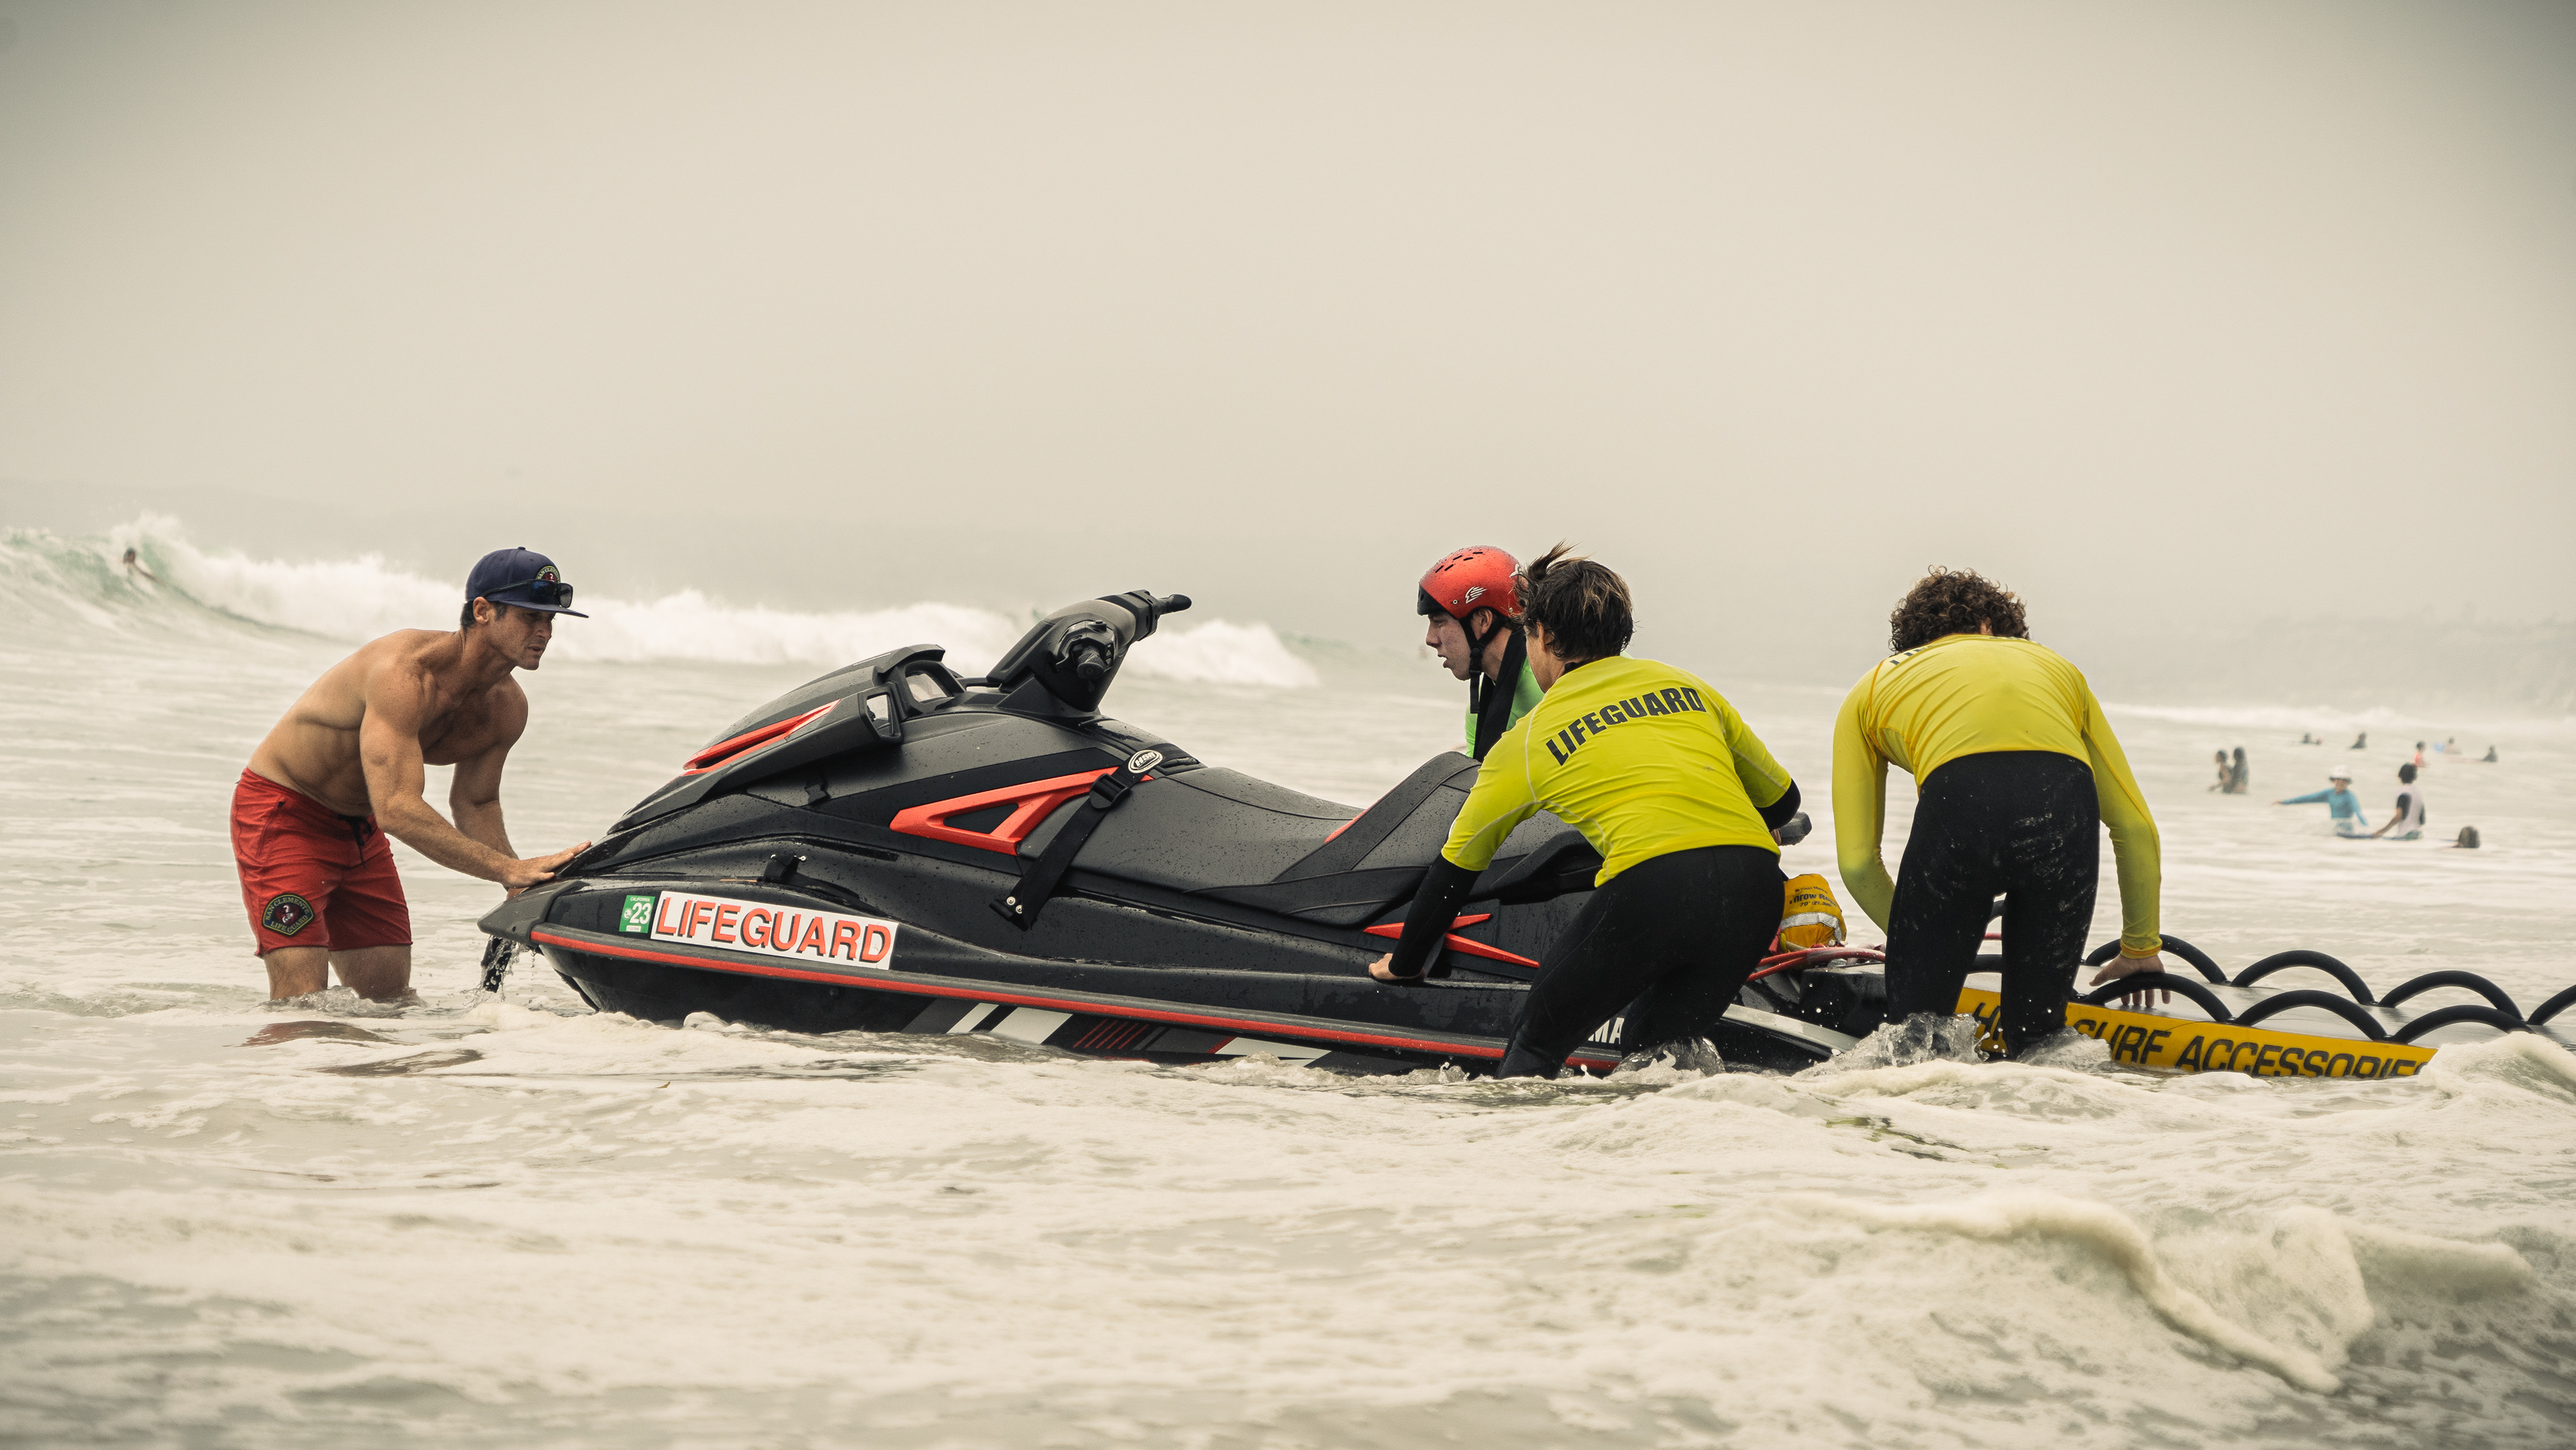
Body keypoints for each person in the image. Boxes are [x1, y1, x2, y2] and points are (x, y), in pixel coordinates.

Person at [1367, 545, 1803, 1078]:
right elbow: (1783, 801)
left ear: (1543, 635)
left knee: (1533, 1045)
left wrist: (1404, 963)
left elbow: (1456, 867)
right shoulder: (1689, 687)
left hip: (1655, 886)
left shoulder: (1529, 739)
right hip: (1757, 888)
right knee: (1654, 1049)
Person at [233, 548, 594, 1002]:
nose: (545, 632)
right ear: (483, 611)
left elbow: (476, 802)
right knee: (302, 1003)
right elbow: (397, 808)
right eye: (530, 617)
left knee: (388, 1000)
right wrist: (506, 867)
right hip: (286, 813)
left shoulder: (506, 708)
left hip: (359, 829)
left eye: (551, 620)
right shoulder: (404, 673)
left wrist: (517, 881)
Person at [1833, 568, 2165, 1057]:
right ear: (1992, 625)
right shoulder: (2057, 669)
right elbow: (2134, 826)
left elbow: (1860, 864)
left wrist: (1919, 942)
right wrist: (2140, 948)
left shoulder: (1875, 684)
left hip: (1960, 810)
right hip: (2064, 812)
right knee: (2041, 1038)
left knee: (1916, 1041)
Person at [1417, 546, 1543, 761]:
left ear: (1483, 621)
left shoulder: (1552, 683)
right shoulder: (1478, 716)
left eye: (1439, 622)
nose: (1430, 639)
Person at [2275, 766, 2370, 837]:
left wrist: (2367, 829)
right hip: (2334, 828)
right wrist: (2285, 802)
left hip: (2347, 830)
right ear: (2333, 780)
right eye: (2338, 779)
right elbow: (2308, 798)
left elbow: (2358, 812)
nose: (2340, 782)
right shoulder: (2329, 794)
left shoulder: (2350, 796)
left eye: (2344, 780)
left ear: (2348, 782)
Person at [2371, 762, 2427, 840]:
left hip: (2405, 835)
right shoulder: (2418, 793)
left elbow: (2398, 816)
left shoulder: (2402, 792)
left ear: (2399, 775)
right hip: (2418, 834)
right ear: (2415, 777)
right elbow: (2422, 820)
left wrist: (2381, 831)